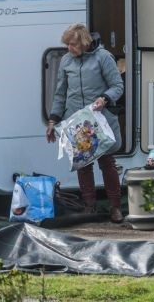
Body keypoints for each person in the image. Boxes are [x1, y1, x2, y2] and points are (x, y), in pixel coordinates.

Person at [46, 23, 125, 223]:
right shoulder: (66, 61)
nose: (68, 49)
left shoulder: (103, 57)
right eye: (67, 45)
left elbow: (117, 86)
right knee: (83, 164)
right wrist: (53, 119)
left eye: (72, 45)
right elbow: (60, 93)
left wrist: (104, 98)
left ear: (83, 43)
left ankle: (115, 207)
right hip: (76, 121)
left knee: (107, 163)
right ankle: (90, 206)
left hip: (99, 119)